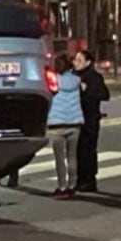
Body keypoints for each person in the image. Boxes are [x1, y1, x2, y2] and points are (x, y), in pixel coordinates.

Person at [46, 53, 84, 199]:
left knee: (59, 158)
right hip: (74, 122)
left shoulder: (53, 80)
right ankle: (72, 185)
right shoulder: (76, 80)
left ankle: (62, 186)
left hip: (56, 123)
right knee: (72, 156)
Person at [72, 50, 110, 193]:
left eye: (79, 60)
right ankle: (79, 179)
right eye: (75, 60)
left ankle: (89, 180)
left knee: (88, 150)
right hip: (75, 118)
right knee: (77, 150)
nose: (76, 63)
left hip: (90, 119)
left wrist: (87, 90)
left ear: (88, 62)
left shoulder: (94, 77)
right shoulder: (73, 77)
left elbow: (105, 95)